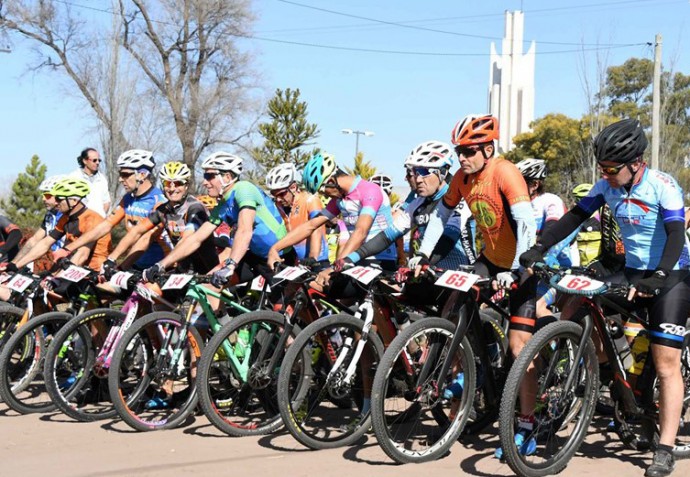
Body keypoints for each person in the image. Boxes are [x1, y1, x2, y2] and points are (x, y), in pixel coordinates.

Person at [520, 118, 690, 477]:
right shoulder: (606, 186)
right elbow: (572, 218)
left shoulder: (663, 185)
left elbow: (676, 235)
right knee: (580, 299)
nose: (607, 175)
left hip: (672, 273)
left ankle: (665, 447)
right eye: (603, 168)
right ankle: (612, 376)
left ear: (636, 163)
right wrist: (540, 247)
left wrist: (659, 276)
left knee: (665, 364)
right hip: (631, 271)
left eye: (613, 169)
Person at [407, 115, 537, 459]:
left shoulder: (505, 171)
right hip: (489, 259)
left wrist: (517, 269)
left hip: (521, 264)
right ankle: (470, 366)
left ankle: (526, 423)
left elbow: (526, 222)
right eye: (459, 150)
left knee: (519, 345)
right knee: (453, 304)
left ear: (488, 148)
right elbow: (440, 217)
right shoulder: (463, 178)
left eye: (468, 150)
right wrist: (422, 253)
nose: (462, 157)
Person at [141, 151, 291, 287]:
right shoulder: (223, 204)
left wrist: (230, 265)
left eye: (209, 176)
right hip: (254, 255)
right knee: (208, 288)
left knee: (287, 311)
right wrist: (160, 265)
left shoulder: (244, 189)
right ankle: (225, 318)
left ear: (227, 177)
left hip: (280, 256)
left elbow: (245, 230)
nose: (205, 182)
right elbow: (196, 239)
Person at [346, 140, 476, 278]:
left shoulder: (459, 197)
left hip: (459, 274)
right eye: (415, 172)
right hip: (428, 270)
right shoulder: (418, 202)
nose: (418, 179)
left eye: (424, 172)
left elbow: (449, 237)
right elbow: (387, 236)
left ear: (442, 172)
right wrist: (351, 258)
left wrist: (423, 260)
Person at [267, 153, 397, 275]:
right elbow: (311, 225)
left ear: (330, 182)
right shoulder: (340, 199)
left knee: (324, 285)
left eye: (323, 190)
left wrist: (337, 266)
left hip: (379, 258)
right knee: (313, 286)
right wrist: (275, 248)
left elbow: (361, 232)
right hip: (354, 258)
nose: (324, 195)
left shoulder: (369, 190)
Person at [54, 149, 168, 271]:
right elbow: (105, 226)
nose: (120, 179)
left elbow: (145, 237)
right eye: (120, 174)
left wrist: (117, 264)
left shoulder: (159, 201)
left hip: (159, 264)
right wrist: (68, 249)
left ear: (142, 174)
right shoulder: (128, 198)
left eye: (125, 174)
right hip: (137, 263)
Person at [0, 178, 111, 301]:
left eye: (59, 198)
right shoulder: (65, 218)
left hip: (91, 272)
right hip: (69, 267)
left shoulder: (91, 219)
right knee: (28, 292)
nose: (56, 202)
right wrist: (16, 265)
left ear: (74, 200)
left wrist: (56, 279)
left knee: (47, 296)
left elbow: (82, 255)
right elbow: (45, 243)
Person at [102, 162, 219, 277]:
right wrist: (112, 259)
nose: (172, 189)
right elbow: (137, 231)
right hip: (182, 271)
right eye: (168, 183)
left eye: (178, 183)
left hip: (205, 273)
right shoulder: (163, 210)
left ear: (186, 185)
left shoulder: (195, 207)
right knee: (140, 292)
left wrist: (160, 265)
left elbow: (187, 239)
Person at [265, 163, 328, 266]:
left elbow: (316, 229)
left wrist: (313, 257)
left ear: (293, 187)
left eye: (281, 194)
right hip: (296, 263)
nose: (278, 199)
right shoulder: (278, 206)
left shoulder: (310, 200)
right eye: (274, 195)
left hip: (317, 261)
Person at [11, 175, 66, 269]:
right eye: (43, 195)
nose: (44, 199)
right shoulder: (50, 214)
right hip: (54, 263)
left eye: (48, 195)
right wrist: (13, 263)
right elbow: (35, 240)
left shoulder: (69, 216)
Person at [70, 147, 111, 217]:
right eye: (94, 160)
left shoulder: (102, 179)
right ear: (85, 161)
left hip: (98, 222)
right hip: (80, 221)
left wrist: (100, 217)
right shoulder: (74, 177)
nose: (97, 163)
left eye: (99, 160)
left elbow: (106, 202)